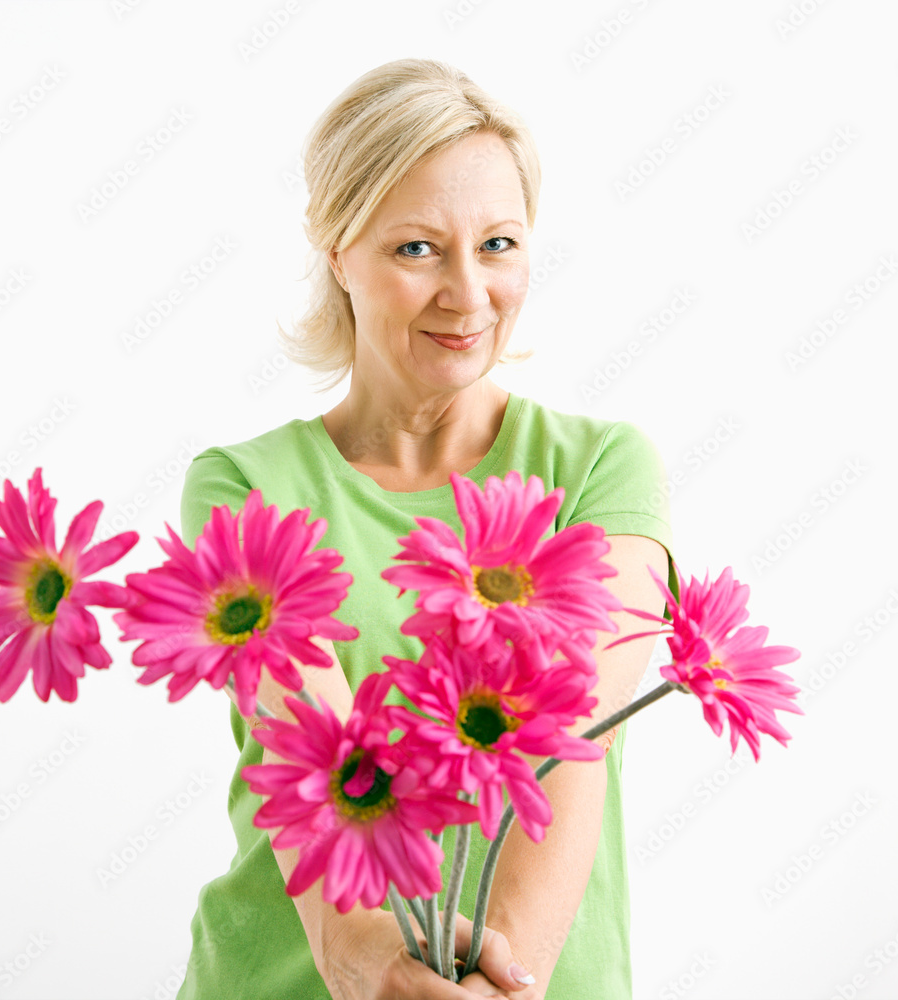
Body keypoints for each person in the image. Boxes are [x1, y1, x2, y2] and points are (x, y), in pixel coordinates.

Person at [176, 58, 676, 1000]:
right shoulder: (243, 485)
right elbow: (310, 750)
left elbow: (568, 736)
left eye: (497, 244)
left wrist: (497, 978)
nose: (467, 292)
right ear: (338, 251)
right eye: (415, 249)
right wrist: (362, 957)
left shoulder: (603, 470)